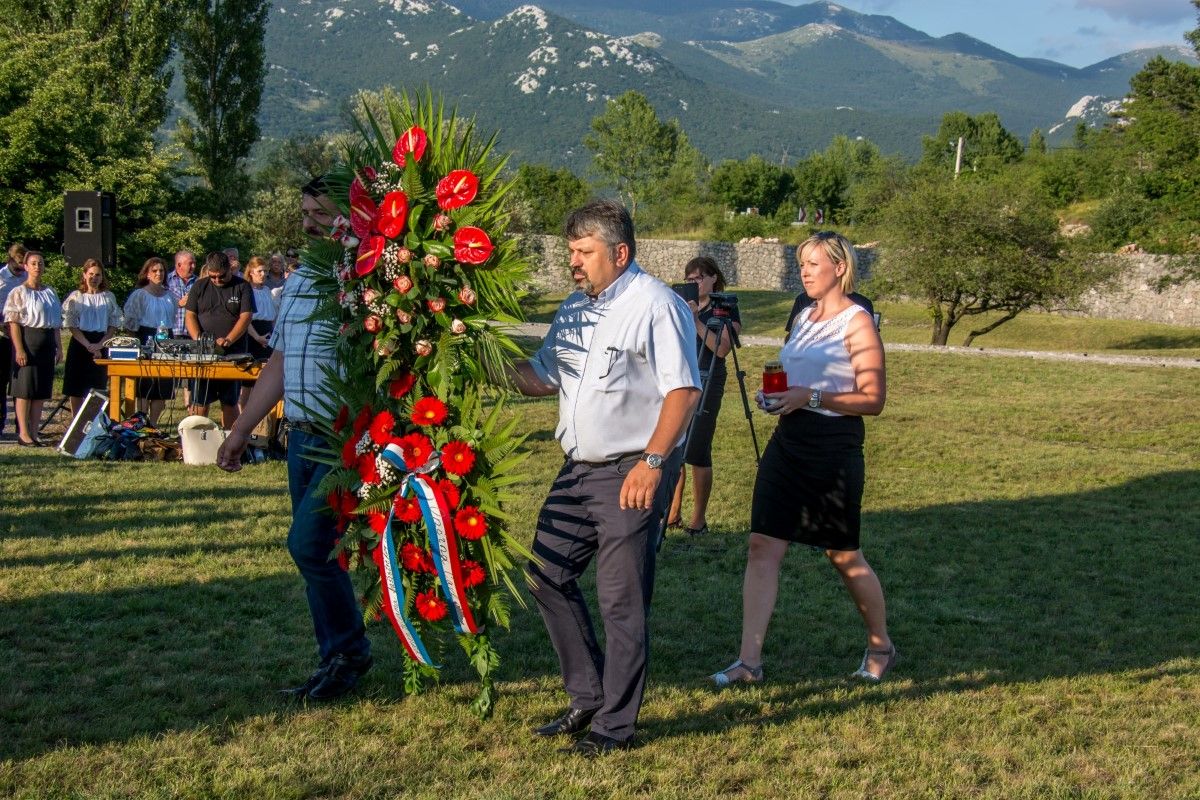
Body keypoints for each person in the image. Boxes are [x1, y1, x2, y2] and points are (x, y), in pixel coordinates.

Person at [507, 200, 701, 756]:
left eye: (583, 252)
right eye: (571, 251)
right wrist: (485, 363)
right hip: (576, 471)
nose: (574, 261)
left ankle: (614, 727)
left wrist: (654, 462)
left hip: (631, 470)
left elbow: (682, 390)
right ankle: (588, 694)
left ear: (619, 253)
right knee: (546, 572)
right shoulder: (572, 308)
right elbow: (543, 377)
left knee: (622, 603)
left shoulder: (656, 305)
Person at [709, 231, 895, 688]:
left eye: (814, 264)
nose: (805, 272)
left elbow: (873, 399)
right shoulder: (803, 314)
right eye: (802, 264)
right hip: (788, 440)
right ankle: (749, 662)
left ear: (840, 268)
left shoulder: (858, 321)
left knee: (843, 553)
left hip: (833, 445)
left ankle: (881, 646)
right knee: (762, 545)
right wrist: (776, 396)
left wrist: (807, 396)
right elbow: (794, 372)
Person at [215, 176, 372, 701]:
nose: (308, 221)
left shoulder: (365, 283)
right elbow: (279, 362)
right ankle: (334, 660)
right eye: (305, 211)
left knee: (306, 545)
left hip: (341, 442)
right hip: (299, 438)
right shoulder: (302, 280)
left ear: (349, 217)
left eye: (320, 213)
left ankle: (350, 651)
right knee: (317, 554)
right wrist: (240, 429)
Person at [665, 256, 741, 536]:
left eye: (698, 278)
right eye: (689, 279)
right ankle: (672, 514)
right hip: (680, 380)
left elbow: (721, 349)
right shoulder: (680, 306)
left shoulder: (725, 307)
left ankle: (698, 519)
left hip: (709, 380)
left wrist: (696, 319)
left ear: (713, 279)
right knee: (675, 446)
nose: (693, 283)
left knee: (697, 450)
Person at [184, 251, 253, 429]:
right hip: (203, 353)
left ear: (229, 269)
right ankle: (197, 440)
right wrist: (199, 339)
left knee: (230, 401)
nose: (216, 280)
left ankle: (229, 440)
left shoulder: (242, 286)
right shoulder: (199, 286)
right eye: (212, 276)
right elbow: (190, 315)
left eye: (221, 276)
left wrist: (229, 339)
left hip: (233, 353)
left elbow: (246, 317)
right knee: (200, 399)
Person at [2, 251, 61, 446]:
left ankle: (35, 432)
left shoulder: (50, 292)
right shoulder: (19, 292)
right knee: (25, 390)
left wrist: (59, 347)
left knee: (41, 390)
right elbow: (13, 323)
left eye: (41, 263)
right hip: (28, 340)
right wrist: (19, 349)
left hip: (47, 342)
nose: (37, 266)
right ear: (26, 267)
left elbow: (55, 324)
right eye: (33, 263)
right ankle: (24, 434)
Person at [61, 259, 122, 418]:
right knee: (76, 387)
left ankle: (93, 421)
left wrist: (100, 345)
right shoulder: (76, 296)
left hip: (101, 341)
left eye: (98, 275)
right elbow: (72, 324)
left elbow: (113, 324)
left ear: (102, 277)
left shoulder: (108, 297)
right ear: (84, 275)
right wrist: (88, 345)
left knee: (97, 385)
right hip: (81, 342)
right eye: (91, 274)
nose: (94, 278)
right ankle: (76, 422)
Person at [123, 257, 179, 426]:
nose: (158, 274)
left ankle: (153, 425)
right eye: (154, 271)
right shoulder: (140, 294)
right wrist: (134, 344)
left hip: (165, 340)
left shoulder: (170, 296)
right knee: (144, 385)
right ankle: (140, 422)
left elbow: (173, 319)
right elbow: (130, 323)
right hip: (144, 338)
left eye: (161, 270)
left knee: (161, 386)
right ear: (147, 273)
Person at [239, 255, 280, 411]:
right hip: (252, 334)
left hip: (267, 333)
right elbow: (246, 318)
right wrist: (257, 337)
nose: (263, 274)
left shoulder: (267, 290)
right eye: (260, 271)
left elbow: (272, 316)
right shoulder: (246, 289)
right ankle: (243, 413)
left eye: (265, 271)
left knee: (265, 377)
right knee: (248, 379)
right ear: (251, 272)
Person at [0, 242, 28, 437]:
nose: (21, 268)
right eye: (18, 264)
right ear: (10, 259)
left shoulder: (26, 277)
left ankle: (23, 427)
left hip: (23, 333)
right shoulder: (1, 277)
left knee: (21, 383)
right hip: (2, 333)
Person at [167, 250, 197, 338]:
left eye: (194, 263)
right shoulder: (166, 281)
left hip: (192, 334)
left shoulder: (199, 282)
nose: (193, 266)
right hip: (171, 332)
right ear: (179, 265)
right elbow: (159, 306)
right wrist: (179, 304)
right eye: (190, 263)